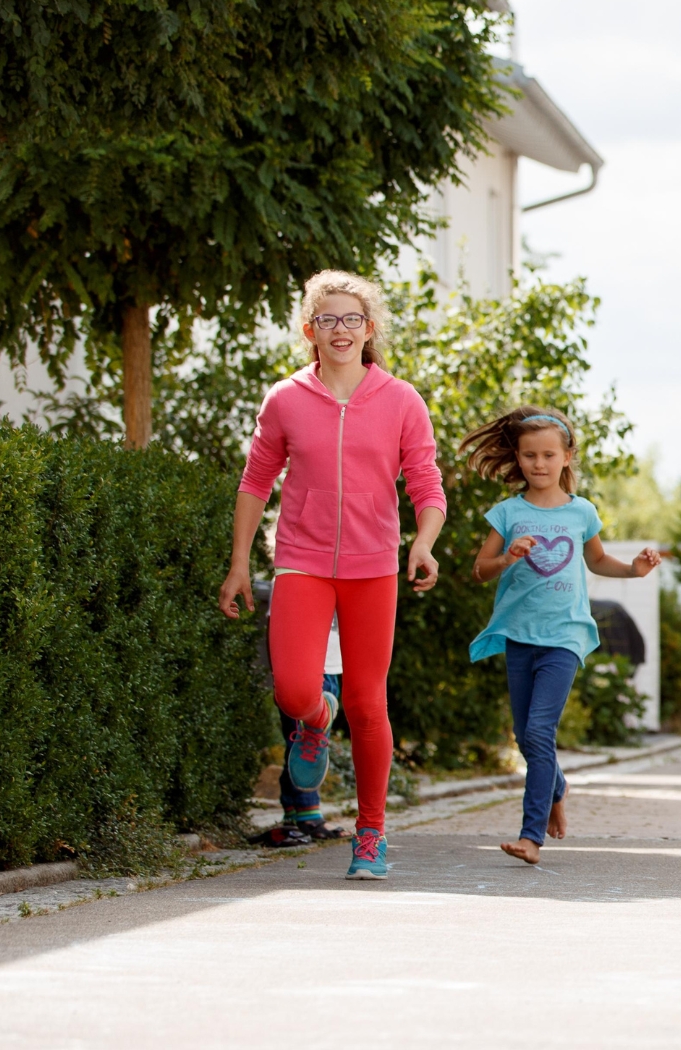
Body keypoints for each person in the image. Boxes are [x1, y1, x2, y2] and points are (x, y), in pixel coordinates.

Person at [219, 269, 447, 881]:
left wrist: (422, 544)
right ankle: (317, 721)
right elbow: (255, 482)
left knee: (369, 703)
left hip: (374, 565)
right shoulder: (286, 399)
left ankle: (369, 836)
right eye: (328, 320)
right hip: (302, 559)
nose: (340, 330)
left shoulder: (401, 400)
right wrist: (241, 563)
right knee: (294, 689)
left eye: (351, 319)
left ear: (369, 328)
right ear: (309, 331)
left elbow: (426, 484)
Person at [463, 406, 662, 866]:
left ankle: (530, 837)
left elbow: (597, 561)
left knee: (538, 731)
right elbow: (479, 570)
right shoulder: (507, 513)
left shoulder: (581, 512)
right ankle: (556, 784)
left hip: (565, 637)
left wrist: (634, 570)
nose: (538, 464)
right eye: (529, 455)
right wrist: (508, 557)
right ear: (517, 456)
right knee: (524, 735)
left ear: (567, 456)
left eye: (548, 454)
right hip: (518, 634)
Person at [255, 576, 347, 847]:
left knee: (305, 743)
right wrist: (279, 674)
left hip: (330, 667)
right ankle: (307, 814)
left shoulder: (347, 570)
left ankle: (296, 815)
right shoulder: (291, 572)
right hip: (299, 669)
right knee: (303, 741)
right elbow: (274, 624)